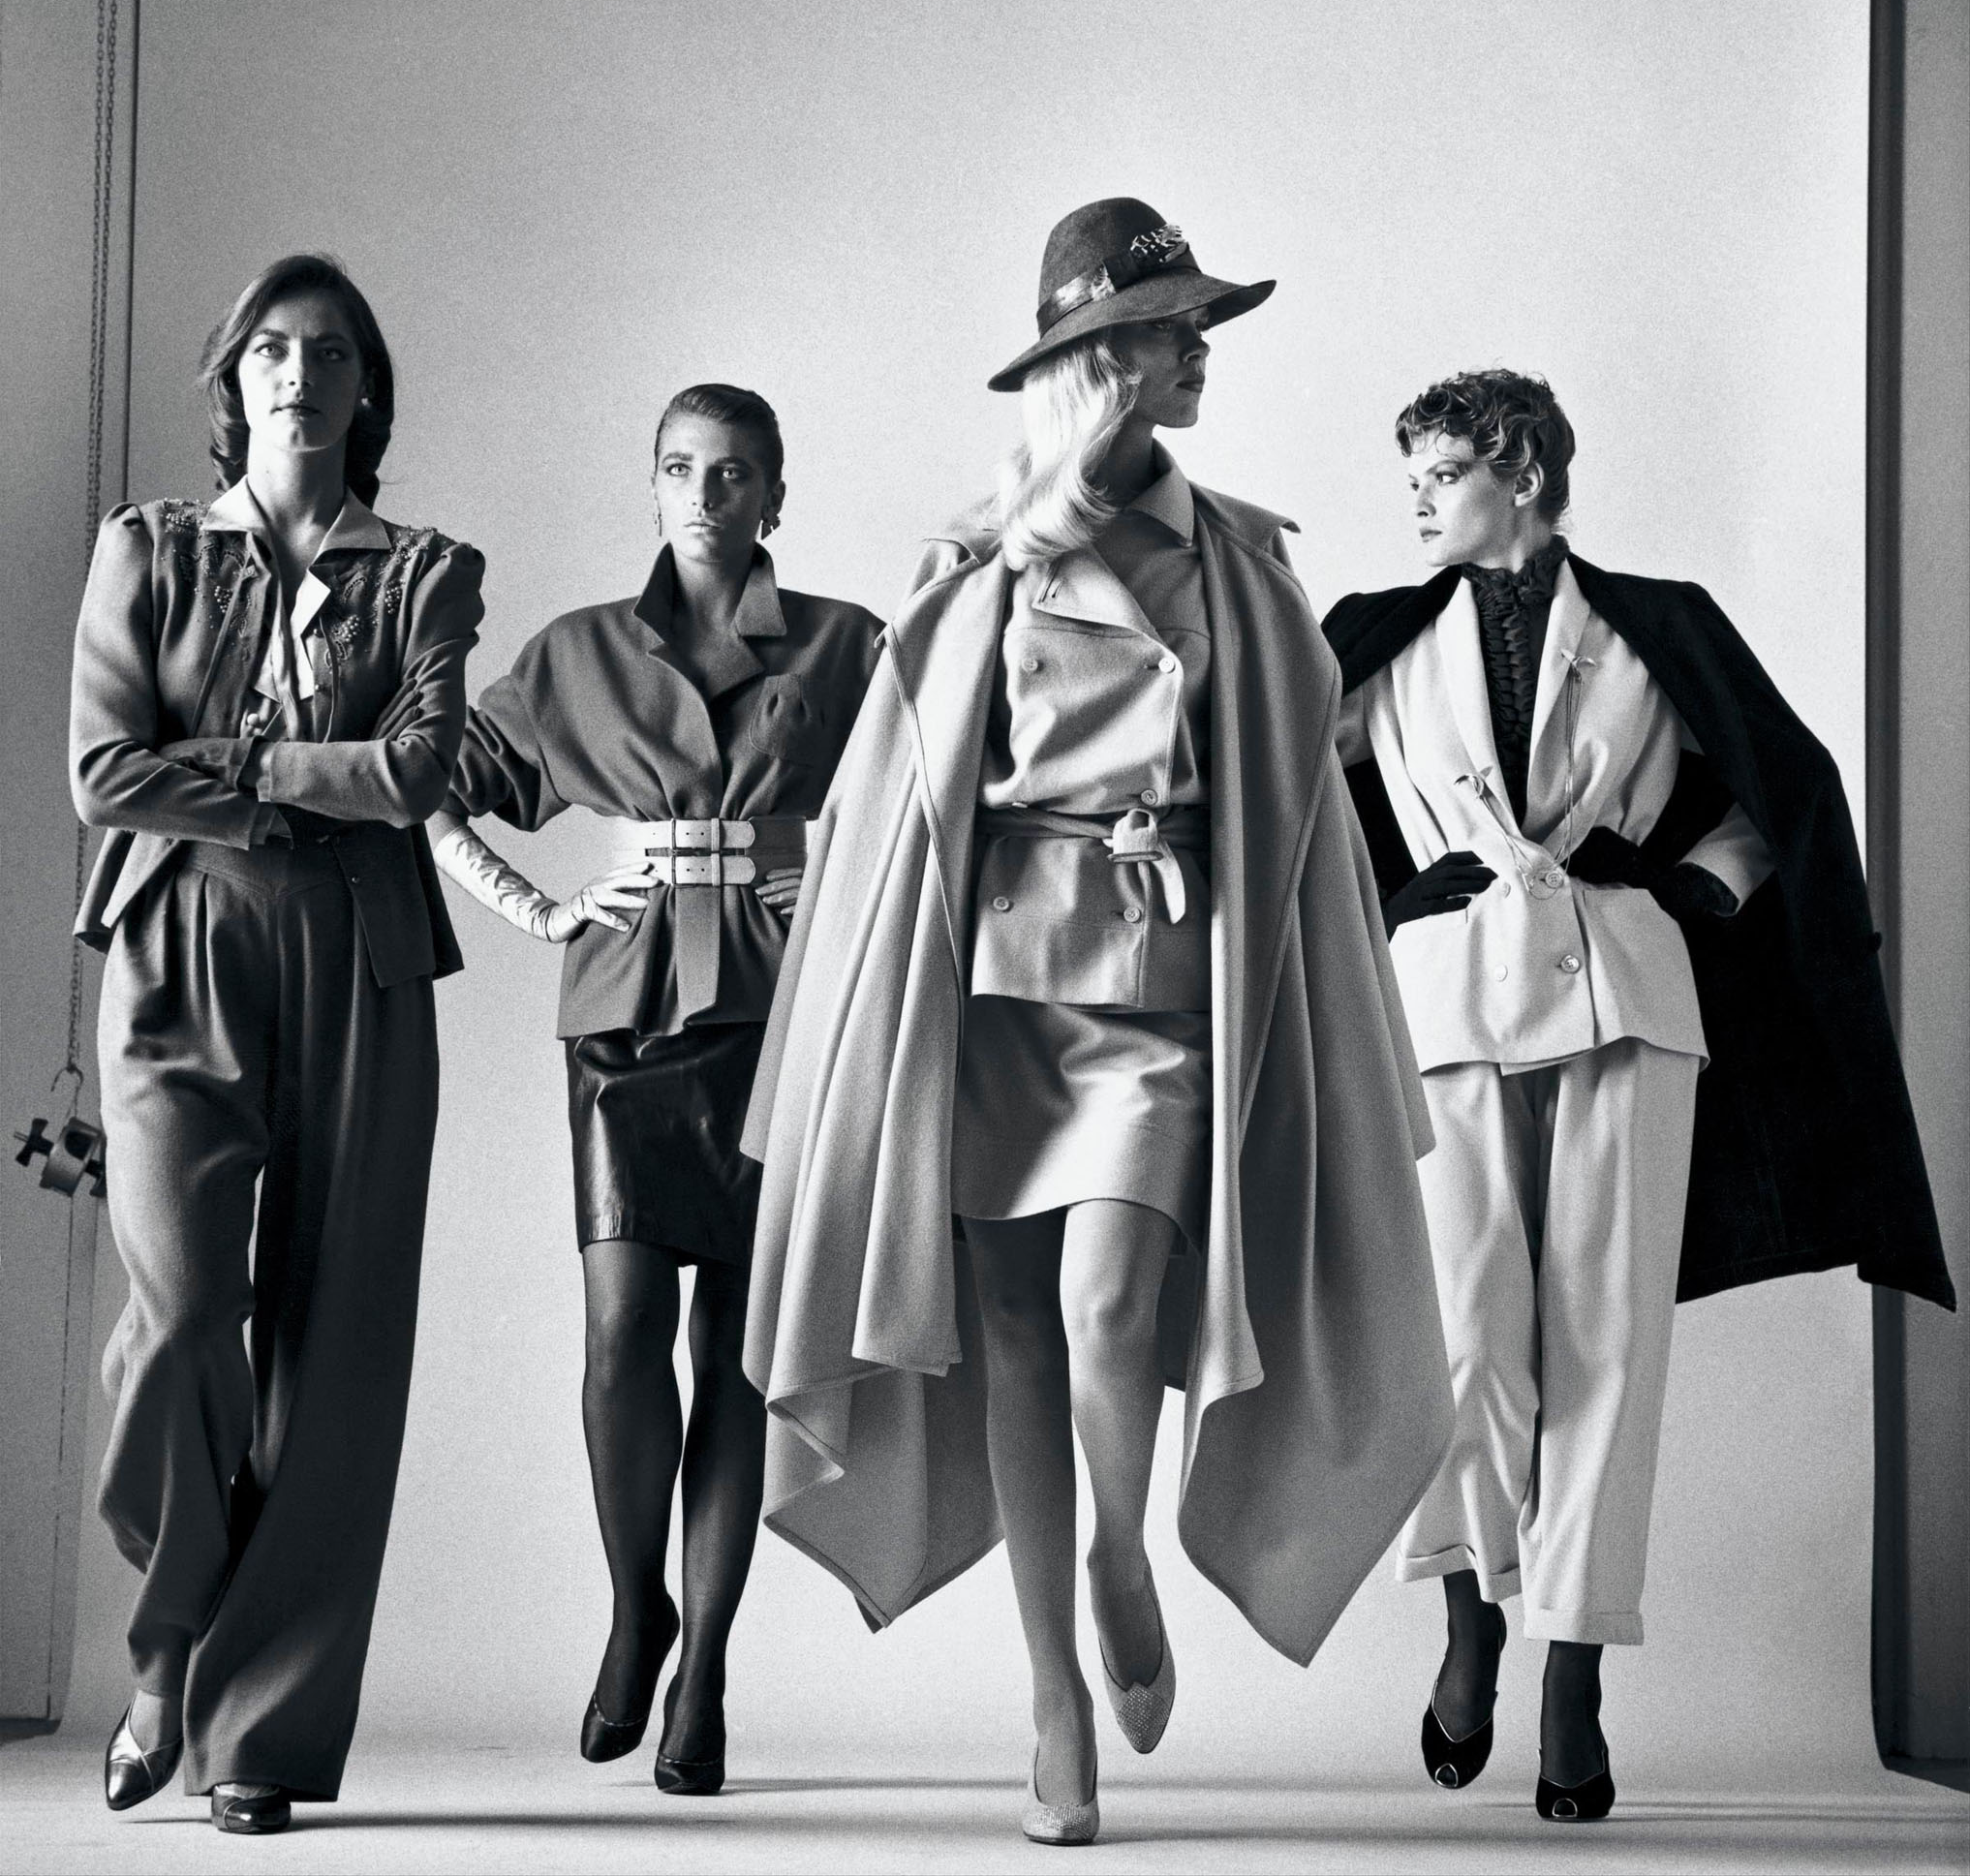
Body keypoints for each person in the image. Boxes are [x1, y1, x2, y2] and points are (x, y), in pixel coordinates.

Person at [740, 199, 1453, 1846]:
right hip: (994, 989)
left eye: (1199, 323)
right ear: (1097, 355)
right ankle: (1053, 1699)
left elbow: (1292, 801)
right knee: (1011, 1335)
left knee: (1113, 1301)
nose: (1200, 349)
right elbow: (899, 803)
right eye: (1173, 323)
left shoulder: (1242, 562)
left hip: (1163, 983)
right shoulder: (975, 561)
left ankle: (1121, 1554)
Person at [1323, 367, 1954, 1822]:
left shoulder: (1657, 624)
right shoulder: (1373, 640)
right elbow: (1279, 799)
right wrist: (1383, 901)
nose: (1418, 499)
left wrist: (1692, 888)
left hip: (1626, 994)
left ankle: (1573, 1665)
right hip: (1445, 1007)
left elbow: (1778, 799)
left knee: (1606, 1343)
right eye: (1412, 476)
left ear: (1524, 472)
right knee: (1463, 1336)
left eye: (1442, 472)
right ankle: (1470, 1612)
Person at [70, 254, 485, 1835]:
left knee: (340, 1353)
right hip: (179, 947)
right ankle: (170, 1640)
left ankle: (262, 1734)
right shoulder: (148, 550)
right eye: (269, 350)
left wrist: (234, 762)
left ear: (366, 389)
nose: (297, 373)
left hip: (363, 962)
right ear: (231, 379)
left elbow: (423, 767)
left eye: (328, 352)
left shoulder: (428, 572)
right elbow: (106, 772)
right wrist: (308, 775)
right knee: (184, 1314)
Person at [431, 384, 882, 1795]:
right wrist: (534, 904)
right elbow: (427, 781)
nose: (704, 493)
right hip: (623, 1020)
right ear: (652, 486)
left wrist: (838, 886)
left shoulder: (846, 642)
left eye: (734, 472)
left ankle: (710, 1667)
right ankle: (640, 1612)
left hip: (781, 1020)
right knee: (624, 1332)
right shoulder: (575, 652)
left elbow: (930, 808)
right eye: (680, 468)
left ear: (775, 495)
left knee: (738, 1353)